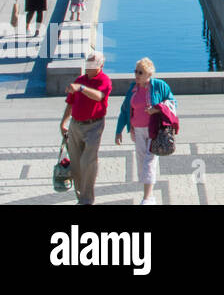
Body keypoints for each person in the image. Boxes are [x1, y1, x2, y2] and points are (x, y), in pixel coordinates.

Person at [115, 58, 176, 206]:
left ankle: (147, 198)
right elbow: (125, 109)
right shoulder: (133, 88)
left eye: (140, 72)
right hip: (137, 130)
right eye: (135, 71)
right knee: (142, 161)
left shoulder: (159, 86)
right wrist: (119, 131)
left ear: (148, 74)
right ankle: (149, 194)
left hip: (154, 130)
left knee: (149, 160)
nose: (136, 75)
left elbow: (172, 103)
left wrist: (156, 109)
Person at [60, 52, 112, 205]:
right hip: (76, 125)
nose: (87, 67)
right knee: (76, 163)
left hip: (94, 125)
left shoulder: (104, 80)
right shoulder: (79, 80)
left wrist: (81, 88)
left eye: (91, 64)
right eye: (87, 63)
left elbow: (99, 96)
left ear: (100, 66)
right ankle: (81, 198)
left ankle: (87, 200)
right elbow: (70, 103)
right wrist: (63, 122)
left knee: (88, 162)